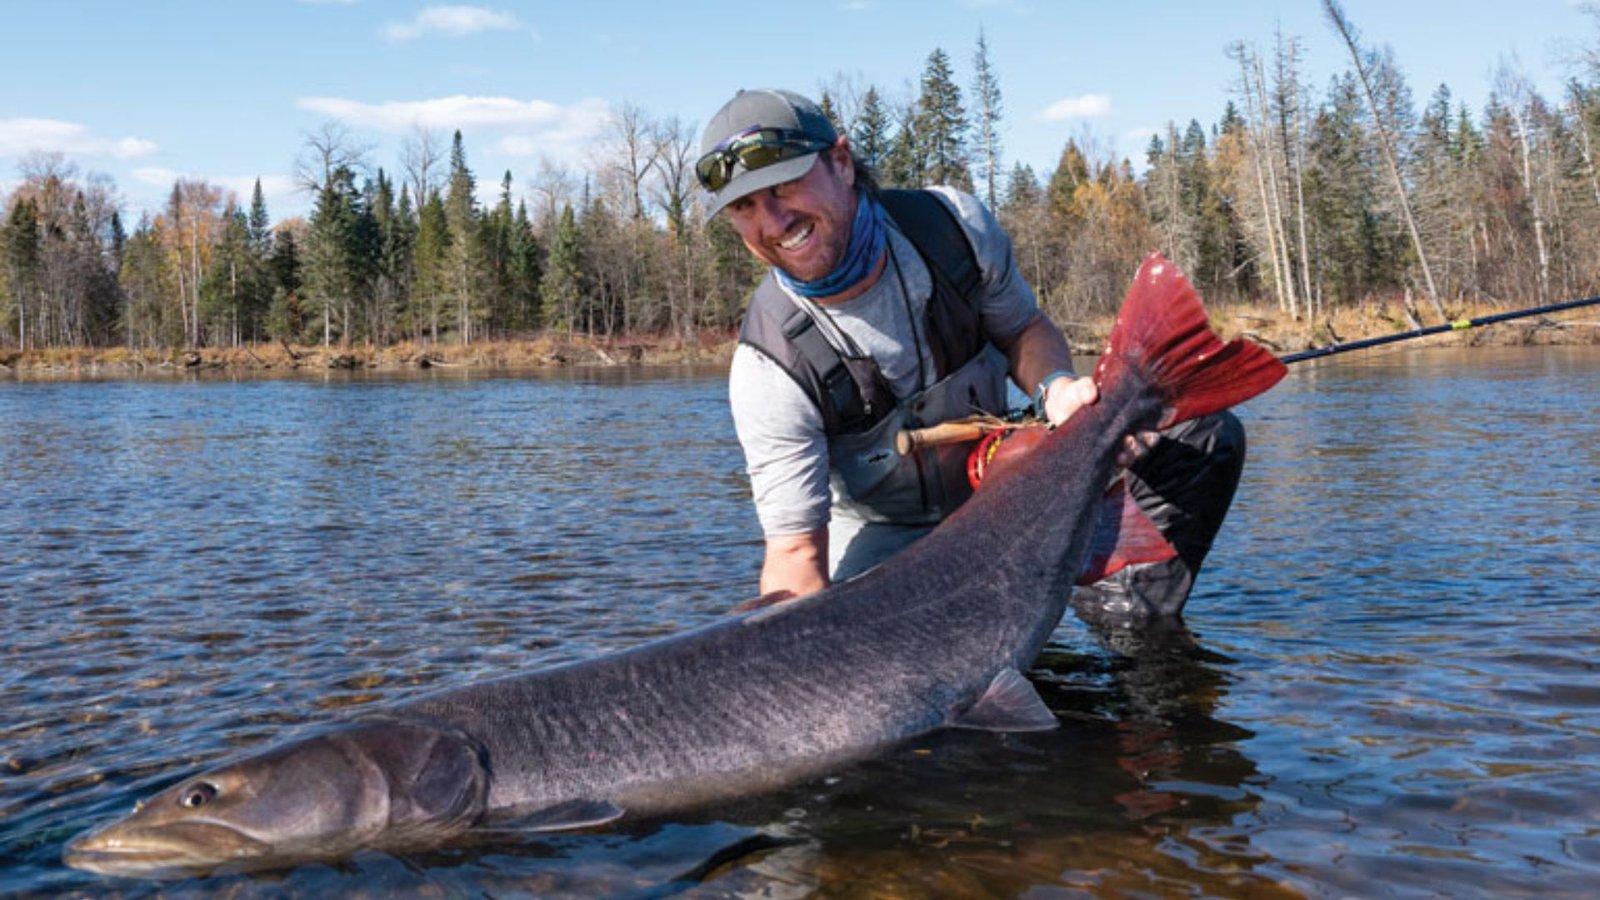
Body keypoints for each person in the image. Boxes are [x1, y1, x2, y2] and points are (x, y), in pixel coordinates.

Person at [699, 88, 1246, 620]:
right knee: (877, 665)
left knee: (1192, 435)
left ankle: (1122, 612)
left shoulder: (951, 229)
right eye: (745, 207)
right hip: (890, 547)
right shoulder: (769, 365)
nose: (772, 222)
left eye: (785, 186)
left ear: (841, 162)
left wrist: (1057, 387)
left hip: (1006, 495)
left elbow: (1024, 329)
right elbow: (795, 557)